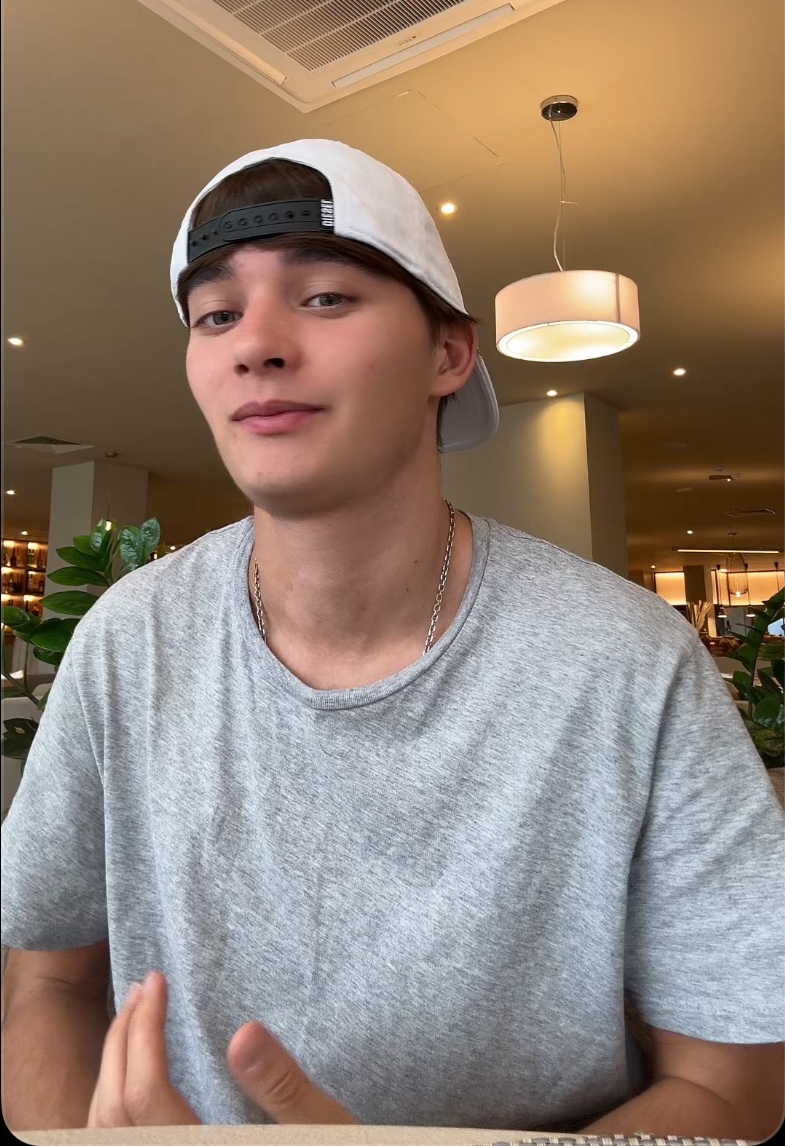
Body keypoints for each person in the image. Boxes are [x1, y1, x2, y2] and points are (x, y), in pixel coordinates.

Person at [2, 139, 783, 1137]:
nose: (255, 343)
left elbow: (733, 1084)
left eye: (325, 296)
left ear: (448, 354)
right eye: (216, 315)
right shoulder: (129, 641)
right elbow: (48, 983)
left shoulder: (628, 663)